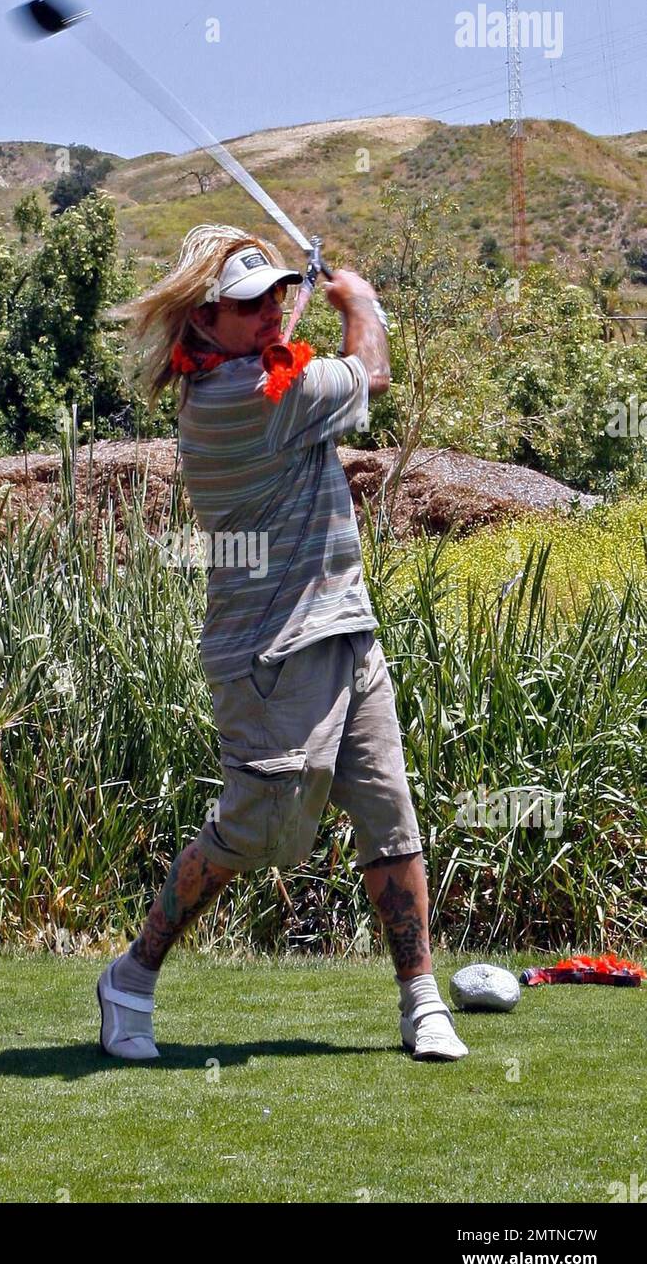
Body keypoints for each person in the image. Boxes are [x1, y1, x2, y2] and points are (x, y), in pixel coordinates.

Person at [97, 223, 468, 1063]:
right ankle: (130, 974)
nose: (265, 315)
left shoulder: (268, 373)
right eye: (244, 306)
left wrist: (303, 291)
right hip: (266, 653)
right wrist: (360, 301)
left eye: (272, 298)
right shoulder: (242, 402)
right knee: (259, 832)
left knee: (388, 813)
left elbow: (296, 349)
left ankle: (420, 999)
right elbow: (370, 372)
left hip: (342, 627)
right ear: (201, 324)